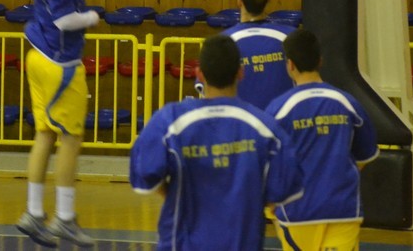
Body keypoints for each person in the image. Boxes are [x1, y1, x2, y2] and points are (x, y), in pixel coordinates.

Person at [129, 35, 303, 251]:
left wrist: (175, 195)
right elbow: (285, 189)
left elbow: (145, 175)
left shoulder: (169, 121)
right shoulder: (266, 128)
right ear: (241, 72)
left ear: (199, 74)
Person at [14, 0, 100, 248]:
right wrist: (92, 17)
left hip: (37, 55)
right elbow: (67, 21)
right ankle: (64, 218)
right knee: (71, 139)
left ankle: (33, 212)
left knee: (44, 135)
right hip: (60, 63)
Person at [267, 29, 379, 251]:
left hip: (298, 213)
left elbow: (267, 164)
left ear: (290, 65)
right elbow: (365, 156)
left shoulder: (277, 110)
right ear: (320, 60)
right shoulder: (348, 103)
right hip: (343, 210)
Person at [221, 0, 297, 110]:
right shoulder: (291, 37)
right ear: (267, 2)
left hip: (241, 121)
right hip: (282, 121)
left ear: (240, 1)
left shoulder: (222, 42)